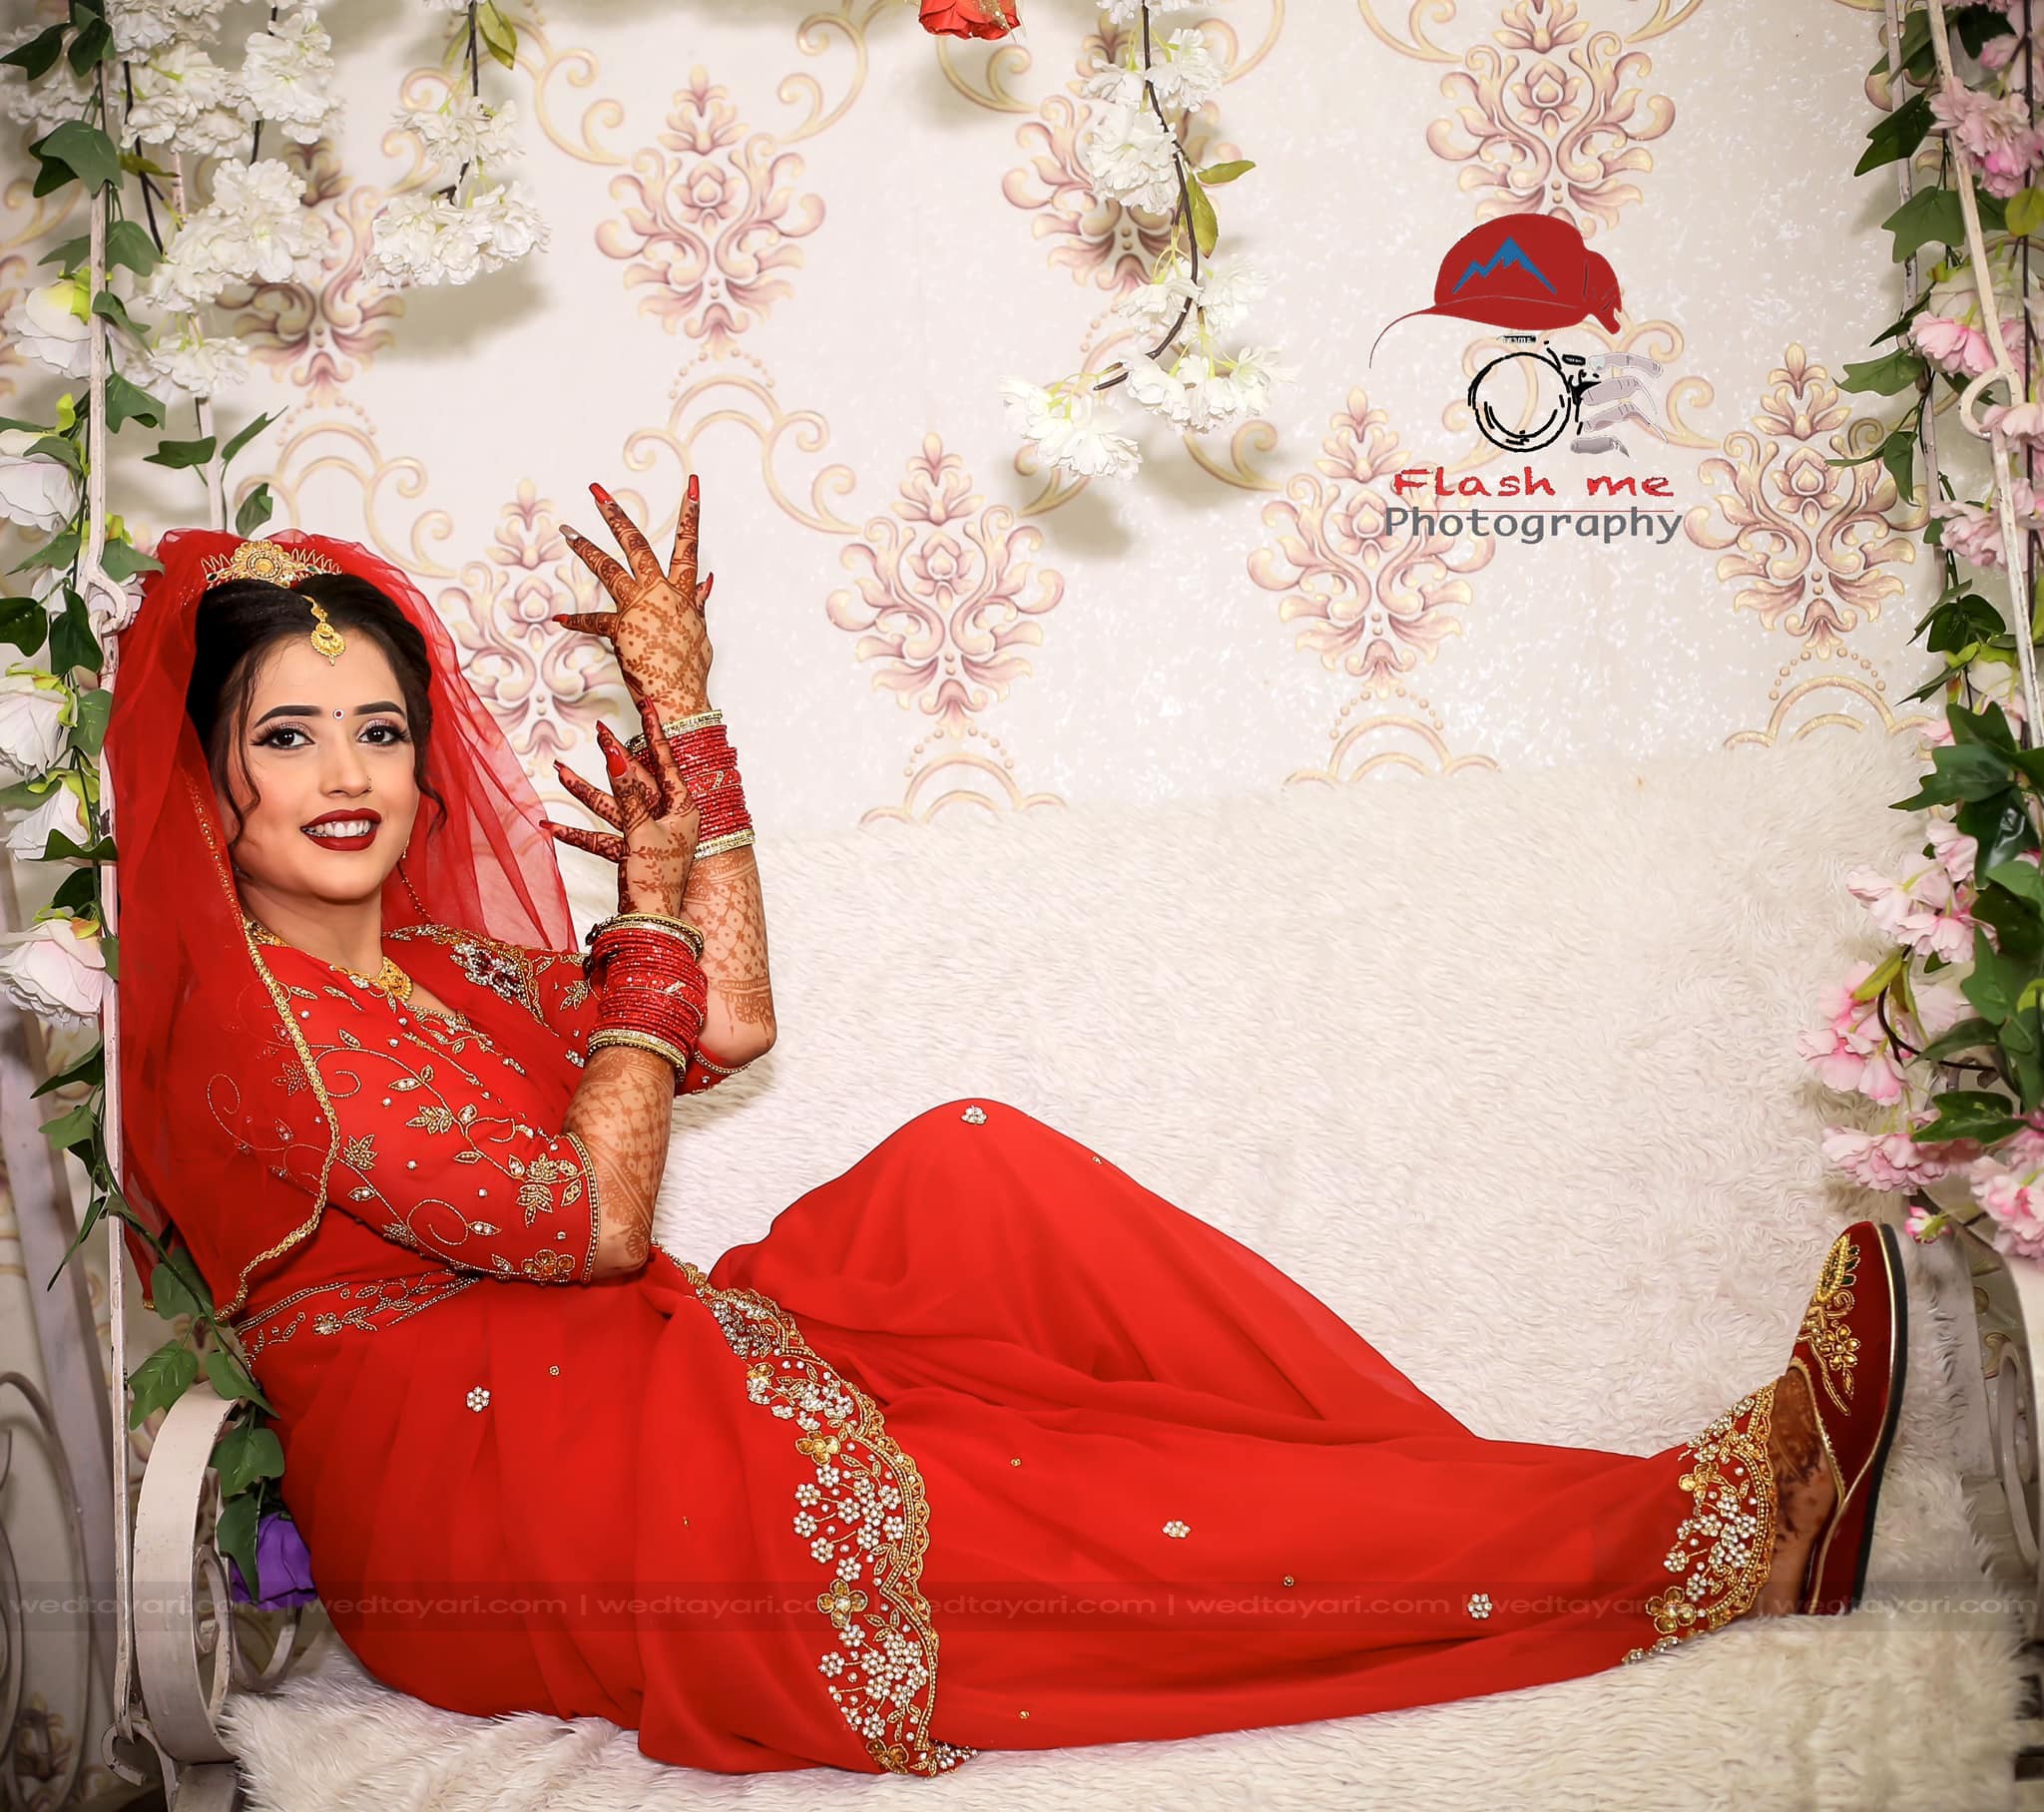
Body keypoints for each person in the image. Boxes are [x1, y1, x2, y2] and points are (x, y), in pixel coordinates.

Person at [104, 486, 1909, 1780]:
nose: (348, 775)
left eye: (379, 731)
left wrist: (689, 730)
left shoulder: (447, 972)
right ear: (209, 777)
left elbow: (723, 1025)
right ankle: (1694, 1530)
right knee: (1025, 1500)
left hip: (628, 1379)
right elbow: (592, 1217)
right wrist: (640, 940)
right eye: (290, 737)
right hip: (496, 1515)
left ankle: (1472, 1508)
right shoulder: (251, 1036)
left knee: (968, 1164)